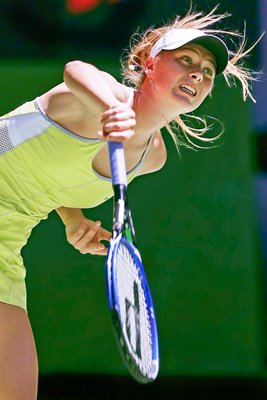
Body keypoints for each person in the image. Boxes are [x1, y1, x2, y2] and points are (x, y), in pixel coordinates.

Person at [0, 5, 260, 400]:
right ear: (148, 63)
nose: (197, 73)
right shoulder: (99, 95)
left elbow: (43, 171)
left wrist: (72, 219)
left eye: (207, 72)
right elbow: (75, 70)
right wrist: (110, 108)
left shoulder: (151, 158)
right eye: (186, 60)